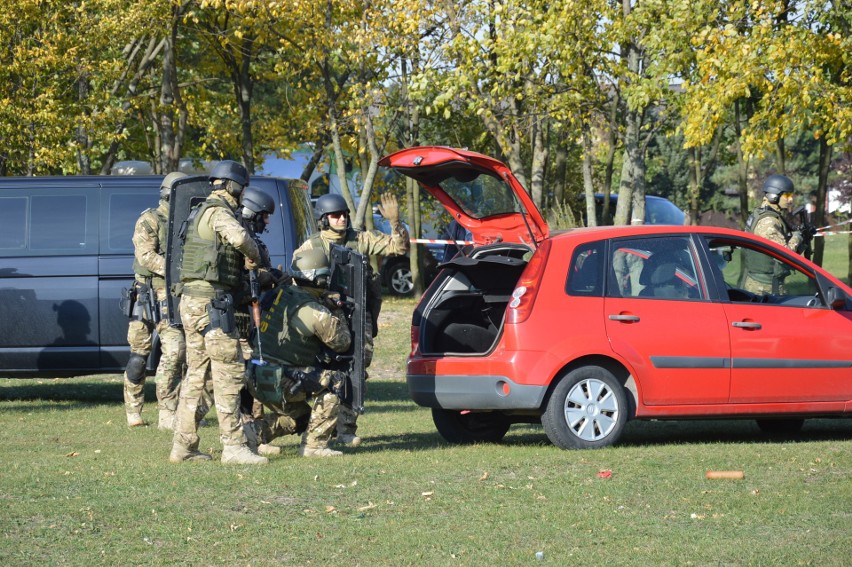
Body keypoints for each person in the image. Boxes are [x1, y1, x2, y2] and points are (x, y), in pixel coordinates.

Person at [169, 160, 268, 465]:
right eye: (242, 187)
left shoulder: (198, 210)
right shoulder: (219, 212)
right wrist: (254, 257)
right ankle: (234, 447)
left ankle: (183, 446)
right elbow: (239, 239)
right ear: (233, 185)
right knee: (228, 372)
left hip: (192, 301)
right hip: (212, 303)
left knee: (198, 375)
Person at [293, 192, 409, 447]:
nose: (342, 218)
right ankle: (320, 426)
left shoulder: (360, 239)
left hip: (358, 314)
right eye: (336, 215)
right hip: (326, 317)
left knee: (358, 368)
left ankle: (346, 429)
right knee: (326, 369)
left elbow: (398, 248)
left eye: (344, 214)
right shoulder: (310, 247)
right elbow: (298, 281)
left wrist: (395, 223)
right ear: (324, 220)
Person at [249, 248, 352, 457]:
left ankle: (248, 436)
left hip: (256, 377)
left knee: (302, 418)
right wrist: (337, 308)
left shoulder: (280, 293)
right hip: (281, 380)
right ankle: (314, 446)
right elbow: (342, 342)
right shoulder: (314, 310)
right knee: (335, 381)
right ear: (321, 279)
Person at [123, 172, 188, 430]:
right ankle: (133, 410)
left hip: (171, 296)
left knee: (175, 352)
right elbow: (147, 256)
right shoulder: (149, 220)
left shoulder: (186, 222)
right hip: (146, 294)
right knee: (138, 357)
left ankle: (167, 412)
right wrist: (179, 270)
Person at [743, 174, 806, 294]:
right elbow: (785, 255)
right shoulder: (768, 222)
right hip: (765, 288)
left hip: (760, 284)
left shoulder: (760, 214)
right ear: (773, 196)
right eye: (787, 195)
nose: (791, 199)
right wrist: (797, 237)